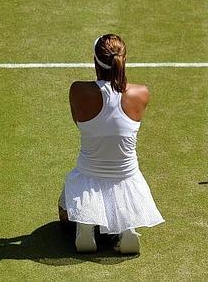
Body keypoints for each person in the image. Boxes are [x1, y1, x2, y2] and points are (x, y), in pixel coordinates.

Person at [58, 34, 164, 253]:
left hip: (88, 176)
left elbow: (80, 123)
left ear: (96, 61)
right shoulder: (141, 93)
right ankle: (127, 229)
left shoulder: (78, 90)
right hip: (127, 178)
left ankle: (85, 226)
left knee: (63, 213)